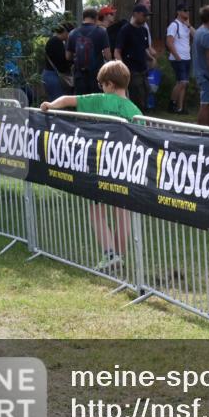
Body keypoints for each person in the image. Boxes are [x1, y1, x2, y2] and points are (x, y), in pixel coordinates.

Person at [40, 60, 141, 270]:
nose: (101, 88)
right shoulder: (135, 110)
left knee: (96, 211)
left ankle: (109, 253)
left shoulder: (99, 100)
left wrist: (50, 105)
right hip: (125, 166)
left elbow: (67, 100)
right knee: (122, 212)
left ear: (110, 85)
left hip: (100, 164)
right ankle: (119, 256)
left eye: (102, 84)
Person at [115, 4, 153, 111]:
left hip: (143, 69)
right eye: (144, 15)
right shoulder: (125, 30)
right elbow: (117, 51)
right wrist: (122, 67)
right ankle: (135, 120)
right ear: (135, 14)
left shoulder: (143, 30)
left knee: (146, 93)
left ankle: (142, 118)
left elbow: (144, 49)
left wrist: (151, 58)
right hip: (131, 70)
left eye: (147, 16)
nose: (146, 18)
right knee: (137, 96)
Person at [66, 8, 111, 95]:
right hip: (97, 75)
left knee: (81, 103)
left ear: (83, 17)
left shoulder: (72, 33)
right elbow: (108, 55)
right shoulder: (101, 32)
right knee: (96, 104)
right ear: (96, 18)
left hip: (79, 76)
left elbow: (68, 56)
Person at [191, 5, 209, 127]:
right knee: (205, 105)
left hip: (200, 73)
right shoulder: (207, 35)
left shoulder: (198, 32)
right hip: (207, 76)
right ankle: (199, 131)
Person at [166, 3, 193, 114]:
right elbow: (169, 42)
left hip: (187, 58)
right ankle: (171, 104)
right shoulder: (174, 25)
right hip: (178, 58)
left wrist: (189, 25)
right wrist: (177, 56)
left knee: (184, 83)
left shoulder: (186, 26)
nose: (187, 12)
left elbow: (197, 36)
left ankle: (180, 108)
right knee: (182, 82)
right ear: (178, 12)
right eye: (185, 10)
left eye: (188, 10)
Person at [41, 22, 74, 101]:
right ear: (66, 32)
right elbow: (61, 62)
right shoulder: (56, 42)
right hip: (53, 76)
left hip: (50, 75)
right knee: (57, 102)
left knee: (54, 101)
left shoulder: (55, 41)